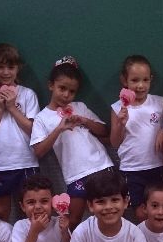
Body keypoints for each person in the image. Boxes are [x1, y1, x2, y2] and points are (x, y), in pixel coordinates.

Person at [31, 56, 114, 230]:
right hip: (75, 174)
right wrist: (59, 129)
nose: (66, 95)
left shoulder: (80, 106)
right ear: (51, 85)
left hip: (100, 166)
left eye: (72, 91)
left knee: (107, 214)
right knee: (73, 220)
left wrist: (84, 120)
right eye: (62, 88)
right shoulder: (41, 118)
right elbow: (38, 151)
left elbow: (104, 131)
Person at [0, 43, 40, 222]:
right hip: (0, 164)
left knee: (31, 210)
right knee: (1, 212)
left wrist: (12, 108)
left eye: (11, 67)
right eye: (0, 67)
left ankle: (31, 239)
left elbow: (33, 130)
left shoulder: (28, 94)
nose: (6, 72)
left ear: (18, 68)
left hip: (26, 162)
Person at [110, 55, 163, 222]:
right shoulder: (117, 108)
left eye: (145, 80)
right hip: (132, 169)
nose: (140, 85)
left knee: (159, 210)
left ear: (151, 79)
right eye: (135, 80)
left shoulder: (159, 103)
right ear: (124, 80)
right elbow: (114, 142)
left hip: (157, 166)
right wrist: (120, 124)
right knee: (141, 213)